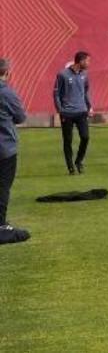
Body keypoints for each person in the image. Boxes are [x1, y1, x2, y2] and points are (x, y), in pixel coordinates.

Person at [0, 58, 30, 244]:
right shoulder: (7, 93)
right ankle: (1, 224)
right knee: (3, 187)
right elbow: (20, 117)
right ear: (7, 73)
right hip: (4, 147)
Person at [54, 51, 92, 175]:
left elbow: (85, 92)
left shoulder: (85, 75)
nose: (88, 63)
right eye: (87, 61)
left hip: (81, 111)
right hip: (67, 113)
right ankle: (70, 167)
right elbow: (56, 94)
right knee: (68, 140)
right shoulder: (62, 74)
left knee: (85, 137)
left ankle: (79, 161)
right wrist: (60, 110)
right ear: (80, 61)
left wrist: (89, 106)